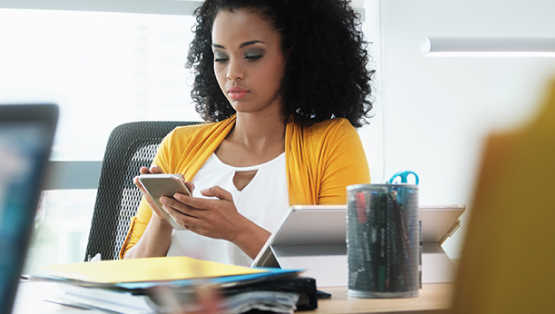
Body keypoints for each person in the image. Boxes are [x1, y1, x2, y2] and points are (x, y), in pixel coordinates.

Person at [120, 0, 373, 265]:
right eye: (221, 57)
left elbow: (337, 268)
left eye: (252, 56)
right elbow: (127, 271)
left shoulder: (332, 142)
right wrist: (164, 220)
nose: (232, 73)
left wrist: (236, 229)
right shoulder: (178, 145)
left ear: (294, 56)